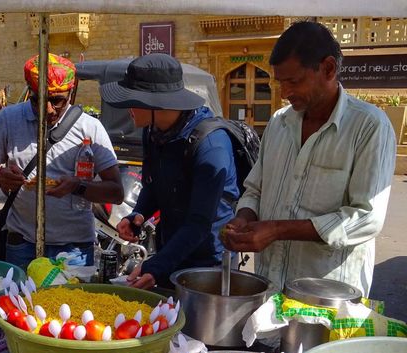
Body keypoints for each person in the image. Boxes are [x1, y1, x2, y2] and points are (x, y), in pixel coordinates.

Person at [221, 21, 396, 297]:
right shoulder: (279, 124)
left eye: (294, 81)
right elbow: (255, 189)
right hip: (269, 286)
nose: (284, 93)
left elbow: (366, 217)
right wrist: (244, 218)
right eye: (280, 82)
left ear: (328, 68)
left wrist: (277, 230)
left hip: (327, 296)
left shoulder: (369, 126)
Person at [100, 53, 239, 289]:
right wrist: (138, 215)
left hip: (207, 266)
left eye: (133, 101)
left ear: (155, 103)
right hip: (171, 251)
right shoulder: (153, 132)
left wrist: (157, 266)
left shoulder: (211, 145)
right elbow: (154, 185)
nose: (128, 110)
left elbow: (199, 223)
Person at [0, 53, 124, 270]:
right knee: (21, 303)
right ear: (30, 92)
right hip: (22, 244)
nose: (48, 110)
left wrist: (78, 186)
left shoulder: (90, 128)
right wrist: (0, 177)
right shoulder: (8, 119)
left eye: (57, 100)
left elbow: (115, 192)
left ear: (71, 94)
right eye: (38, 100)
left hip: (74, 250)